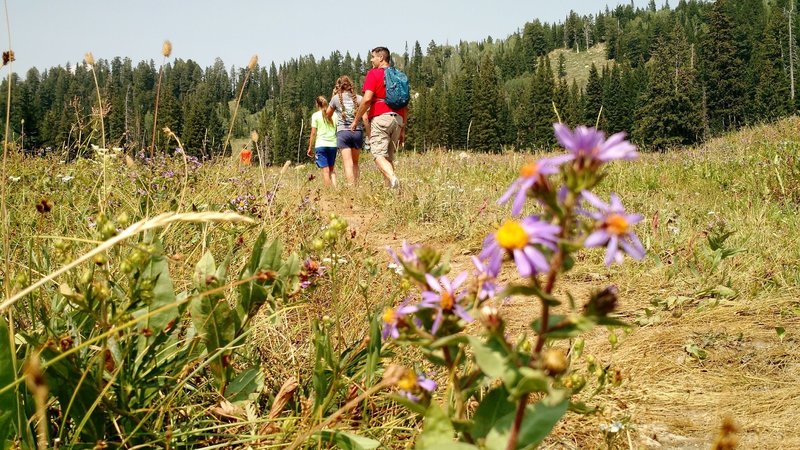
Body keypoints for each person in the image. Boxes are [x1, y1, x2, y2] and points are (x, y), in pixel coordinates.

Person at [350, 46, 407, 189]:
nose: (371, 60)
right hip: (398, 119)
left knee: (378, 156)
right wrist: (402, 130)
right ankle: (391, 193)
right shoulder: (398, 76)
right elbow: (405, 104)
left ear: (381, 58)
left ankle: (393, 179)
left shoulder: (373, 74)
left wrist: (356, 120)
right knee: (388, 158)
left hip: (381, 119)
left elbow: (367, 99)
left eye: (373, 57)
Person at [327, 75, 370, 186]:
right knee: (355, 162)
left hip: (343, 133)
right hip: (357, 132)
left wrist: (333, 97)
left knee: (348, 162)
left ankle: (351, 187)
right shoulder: (360, 98)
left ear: (338, 86)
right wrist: (369, 135)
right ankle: (357, 185)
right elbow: (365, 118)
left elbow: (328, 114)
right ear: (351, 85)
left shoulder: (336, 98)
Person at [307, 96, 338, 187]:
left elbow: (313, 133)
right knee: (332, 169)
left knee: (325, 170)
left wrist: (310, 147)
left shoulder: (315, 116)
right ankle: (335, 189)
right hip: (333, 144)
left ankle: (329, 191)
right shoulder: (334, 115)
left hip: (321, 144)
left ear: (317, 104)